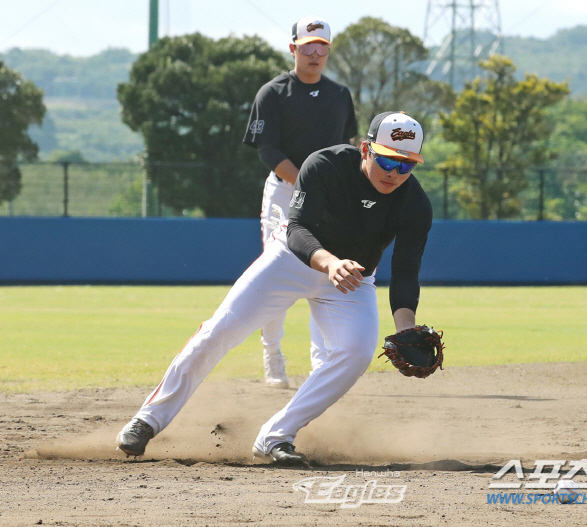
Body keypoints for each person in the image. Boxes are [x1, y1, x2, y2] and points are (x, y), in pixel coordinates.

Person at [116, 111, 432, 466]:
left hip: (352, 279)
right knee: (220, 330)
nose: (394, 172)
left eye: (405, 165)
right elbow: (297, 228)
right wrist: (329, 263)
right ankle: (147, 419)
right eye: (387, 158)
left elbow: (406, 270)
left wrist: (406, 330)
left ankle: (276, 436)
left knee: (356, 352)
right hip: (292, 261)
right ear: (365, 149)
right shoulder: (325, 165)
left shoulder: (415, 203)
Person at [242, 15, 358, 388]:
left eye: (322, 46)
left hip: (330, 196)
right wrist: (309, 183)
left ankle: (320, 365)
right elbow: (267, 149)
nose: (315, 52)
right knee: (273, 277)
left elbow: (348, 146)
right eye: (308, 45)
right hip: (283, 191)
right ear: (293, 48)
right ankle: (272, 355)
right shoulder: (273, 93)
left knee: (322, 276)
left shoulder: (339, 94)